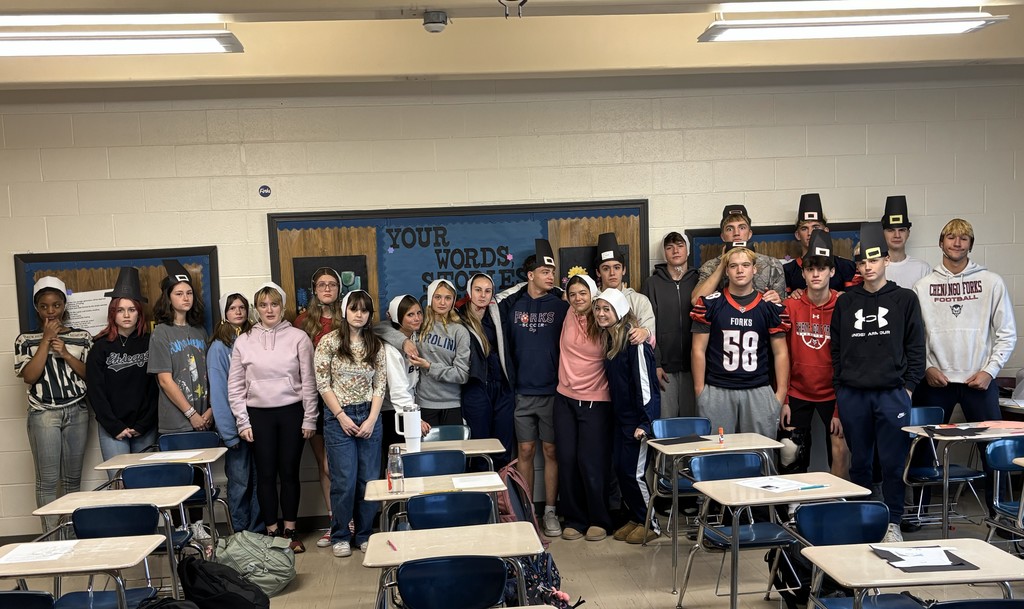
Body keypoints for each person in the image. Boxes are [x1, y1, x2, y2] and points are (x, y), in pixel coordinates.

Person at [912, 218, 1016, 515]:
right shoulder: (923, 286)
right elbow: (914, 337)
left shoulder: (991, 281)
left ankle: (1001, 514)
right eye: (951, 237)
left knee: (994, 449)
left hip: (977, 381)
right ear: (940, 242)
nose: (957, 243)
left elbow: (1007, 332)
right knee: (923, 447)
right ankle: (919, 513)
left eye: (964, 238)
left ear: (971, 243)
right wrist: (927, 368)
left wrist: (989, 371)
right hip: (935, 380)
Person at [831, 222, 925, 543]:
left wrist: (908, 387)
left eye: (873, 260)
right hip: (853, 395)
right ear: (857, 266)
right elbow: (836, 348)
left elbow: (916, 347)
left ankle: (892, 522)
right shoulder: (845, 302)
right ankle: (863, 517)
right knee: (860, 461)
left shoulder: (905, 299)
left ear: (885, 260)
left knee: (892, 462)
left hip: (892, 395)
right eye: (861, 262)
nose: (867, 266)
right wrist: (841, 390)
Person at [228, 282, 318, 552]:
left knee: (289, 473)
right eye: (264, 305)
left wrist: (310, 418)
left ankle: (290, 531)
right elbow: (235, 386)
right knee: (265, 475)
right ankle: (271, 531)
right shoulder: (243, 341)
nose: (269, 309)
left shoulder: (299, 338)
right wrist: (242, 422)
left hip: (292, 412)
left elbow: (310, 381)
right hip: (258, 415)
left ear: (283, 306)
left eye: (274, 304)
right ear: (256, 309)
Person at [501, 239, 570, 538]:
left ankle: (550, 511)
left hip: (553, 393)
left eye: (552, 272)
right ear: (529, 275)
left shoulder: (562, 305)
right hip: (521, 393)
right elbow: (482, 306)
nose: (550, 276)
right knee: (525, 451)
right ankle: (527, 511)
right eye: (544, 271)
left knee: (551, 450)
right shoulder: (512, 304)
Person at [15, 276, 91, 532]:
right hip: (44, 413)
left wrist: (66, 353)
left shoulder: (81, 336)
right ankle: (50, 540)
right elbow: (29, 376)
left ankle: (70, 537)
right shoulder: (25, 339)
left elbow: (88, 374)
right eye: (44, 306)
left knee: (72, 481)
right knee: (48, 481)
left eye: (56, 305)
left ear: (64, 306)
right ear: (37, 308)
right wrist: (45, 341)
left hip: (77, 410)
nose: (51, 311)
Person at [691, 243, 790, 438]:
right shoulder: (710, 304)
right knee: (716, 455)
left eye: (745, 265)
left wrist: (780, 394)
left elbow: (781, 353)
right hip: (717, 389)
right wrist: (700, 391)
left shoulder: (770, 307)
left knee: (760, 455)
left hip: (758, 389)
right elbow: (698, 350)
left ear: (755, 269)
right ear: (726, 270)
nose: (740, 270)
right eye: (734, 266)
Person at [315, 290, 387, 559]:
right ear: (344, 311)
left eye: (365, 310)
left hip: (369, 415)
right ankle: (341, 534)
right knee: (344, 480)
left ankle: (365, 533)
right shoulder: (329, 342)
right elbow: (322, 384)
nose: (360, 314)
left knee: (368, 480)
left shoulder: (375, 344)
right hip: (339, 417)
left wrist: (371, 419)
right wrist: (341, 416)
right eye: (355, 309)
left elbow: (380, 384)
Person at [779, 231, 849, 479]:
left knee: (840, 449)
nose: (816, 274)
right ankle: (794, 510)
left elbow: (849, 360)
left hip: (833, 392)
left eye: (822, 268)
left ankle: (838, 505)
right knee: (789, 451)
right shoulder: (790, 306)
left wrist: (841, 409)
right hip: (798, 390)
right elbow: (782, 354)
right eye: (810, 269)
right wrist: (784, 398)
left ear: (832, 272)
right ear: (803, 273)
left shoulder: (845, 307)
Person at [593, 288, 660, 545]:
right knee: (622, 471)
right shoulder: (612, 339)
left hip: (638, 420)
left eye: (606, 309)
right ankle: (636, 516)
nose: (600, 313)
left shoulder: (636, 342)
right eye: (598, 308)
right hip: (621, 419)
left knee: (635, 474)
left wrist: (646, 422)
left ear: (619, 312)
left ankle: (651, 522)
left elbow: (645, 385)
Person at [554, 274, 613, 542]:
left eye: (583, 293)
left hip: (595, 400)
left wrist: (646, 333)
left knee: (590, 462)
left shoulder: (602, 317)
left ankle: (599, 519)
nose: (578, 298)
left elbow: (631, 327)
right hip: (564, 398)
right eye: (573, 293)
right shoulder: (567, 312)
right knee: (566, 459)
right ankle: (575, 519)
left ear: (593, 294)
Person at [87, 267, 158, 476]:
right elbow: (96, 391)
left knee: (144, 482)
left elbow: (156, 389)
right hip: (113, 429)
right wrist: (114, 426)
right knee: (119, 483)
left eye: (131, 309)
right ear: (113, 313)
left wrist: (143, 424)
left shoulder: (150, 343)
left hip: (144, 427)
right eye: (120, 310)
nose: (126, 315)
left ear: (139, 312)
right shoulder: (100, 347)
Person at [294, 267, 345, 549]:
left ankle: (347, 520)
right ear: (314, 289)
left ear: (339, 289)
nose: (327, 289)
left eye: (332, 284)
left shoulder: (349, 317)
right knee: (323, 465)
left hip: (346, 400)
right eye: (322, 284)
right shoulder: (303, 322)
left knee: (341, 465)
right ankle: (332, 521)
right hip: (315, 399)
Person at [208, 292, 262, 533]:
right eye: (232, 308)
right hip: (235, 429)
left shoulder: (255, 339)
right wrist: (229, 432)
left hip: (259, 424)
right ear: (224, 314)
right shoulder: (219, 347)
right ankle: (241, 534)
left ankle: (258, 531)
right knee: (240, 483)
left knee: (261, 482)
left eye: (242, 307)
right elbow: (219, 393)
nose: (238, 312)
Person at [459, 273, 515, 470]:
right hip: (476, 388)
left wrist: (560, 291)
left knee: (503, 448)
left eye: (487, 290)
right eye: (478, 290)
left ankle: (502, 497)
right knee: (479, 448)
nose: (482, 295)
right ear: (469, 292)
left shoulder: (497, 312)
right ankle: (482, 496)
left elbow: (525, 287)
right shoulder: (456, 316)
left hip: (503, 387)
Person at [149, 260, 211, 436]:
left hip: (204, 418)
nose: (186, 298)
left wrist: (211, 410)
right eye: (179, 293)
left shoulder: (200, 331)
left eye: (189, 293)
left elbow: (209, 374)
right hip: (177, 423)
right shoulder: (161, 332)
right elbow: (165, 381)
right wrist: (191, 414)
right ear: (168, 298)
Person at [642, 231, 699, 419]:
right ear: (664, 253)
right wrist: (656, 363)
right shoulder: (652, 283)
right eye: (669, 247)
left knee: (694, 426)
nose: (675, 251)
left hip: (695, 368)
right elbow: (646, 327)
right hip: (664, 370)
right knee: (667, 427)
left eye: (680, 246)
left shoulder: (700, 281)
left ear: (688, 250)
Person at [691, 204, 785, 305]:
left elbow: (783, 306)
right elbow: (696, 301)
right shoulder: (710, 266)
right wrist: (722, 265)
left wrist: (778, 299)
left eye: (742, 227)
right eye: (729, 229)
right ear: (723, 236)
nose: (736, 233)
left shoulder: (772, 265)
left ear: (749, 234)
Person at [407, 279, 470, 426]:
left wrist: (429, 366)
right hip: (424, 403)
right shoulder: (419, 325)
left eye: (448, 298)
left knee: (452, 448)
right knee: (429, 449)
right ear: (430, 299)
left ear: (453, 301)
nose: (442, 302)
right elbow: (382, 329)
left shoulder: (459, 331)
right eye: (438, 297)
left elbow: (462, 374)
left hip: (453, 403)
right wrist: (404, 342)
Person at [378, 294, 429, 467]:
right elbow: (398, 389)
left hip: (408, 408)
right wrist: (414, 418)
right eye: (410, 314)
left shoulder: (414, 338)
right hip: (393, 412)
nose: (417, 318)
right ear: (397, 317)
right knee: (398, 466)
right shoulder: (390, 348)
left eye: (419, 313)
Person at [782, 193, 861, 299]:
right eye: (804, 228)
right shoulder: (788, 270)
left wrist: (848, 297)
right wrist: (791, 297)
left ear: (826, 231)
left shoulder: (846, 266)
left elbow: (859, 299)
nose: (810, 233)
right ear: (797, 234)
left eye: (815, 227)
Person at [594, 232, 655, 342]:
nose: (612, 273)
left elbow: (650, 331)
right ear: (598, 272)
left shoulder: (639, 301)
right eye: (606, 268)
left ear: (624, 270)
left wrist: (645, 332)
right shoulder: (592, 301)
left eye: (617, 267)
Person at [881, 195, 932, 290]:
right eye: (891, 230)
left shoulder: (922, 268)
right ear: (882, 233)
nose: (897, 235)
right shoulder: (875, 269)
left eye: (902, 230)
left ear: (908, 233)